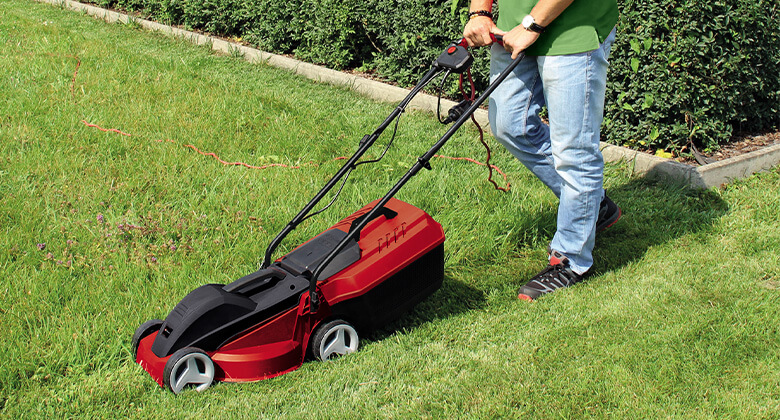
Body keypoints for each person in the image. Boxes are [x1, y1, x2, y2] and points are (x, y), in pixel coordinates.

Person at [462, 0, 621, 301]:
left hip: (574, 31)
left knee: (575, 152)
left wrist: (533, 24)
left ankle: (571, 259)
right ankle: (592, 205)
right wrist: (480, 12)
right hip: (513, 29)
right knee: (510, 125)